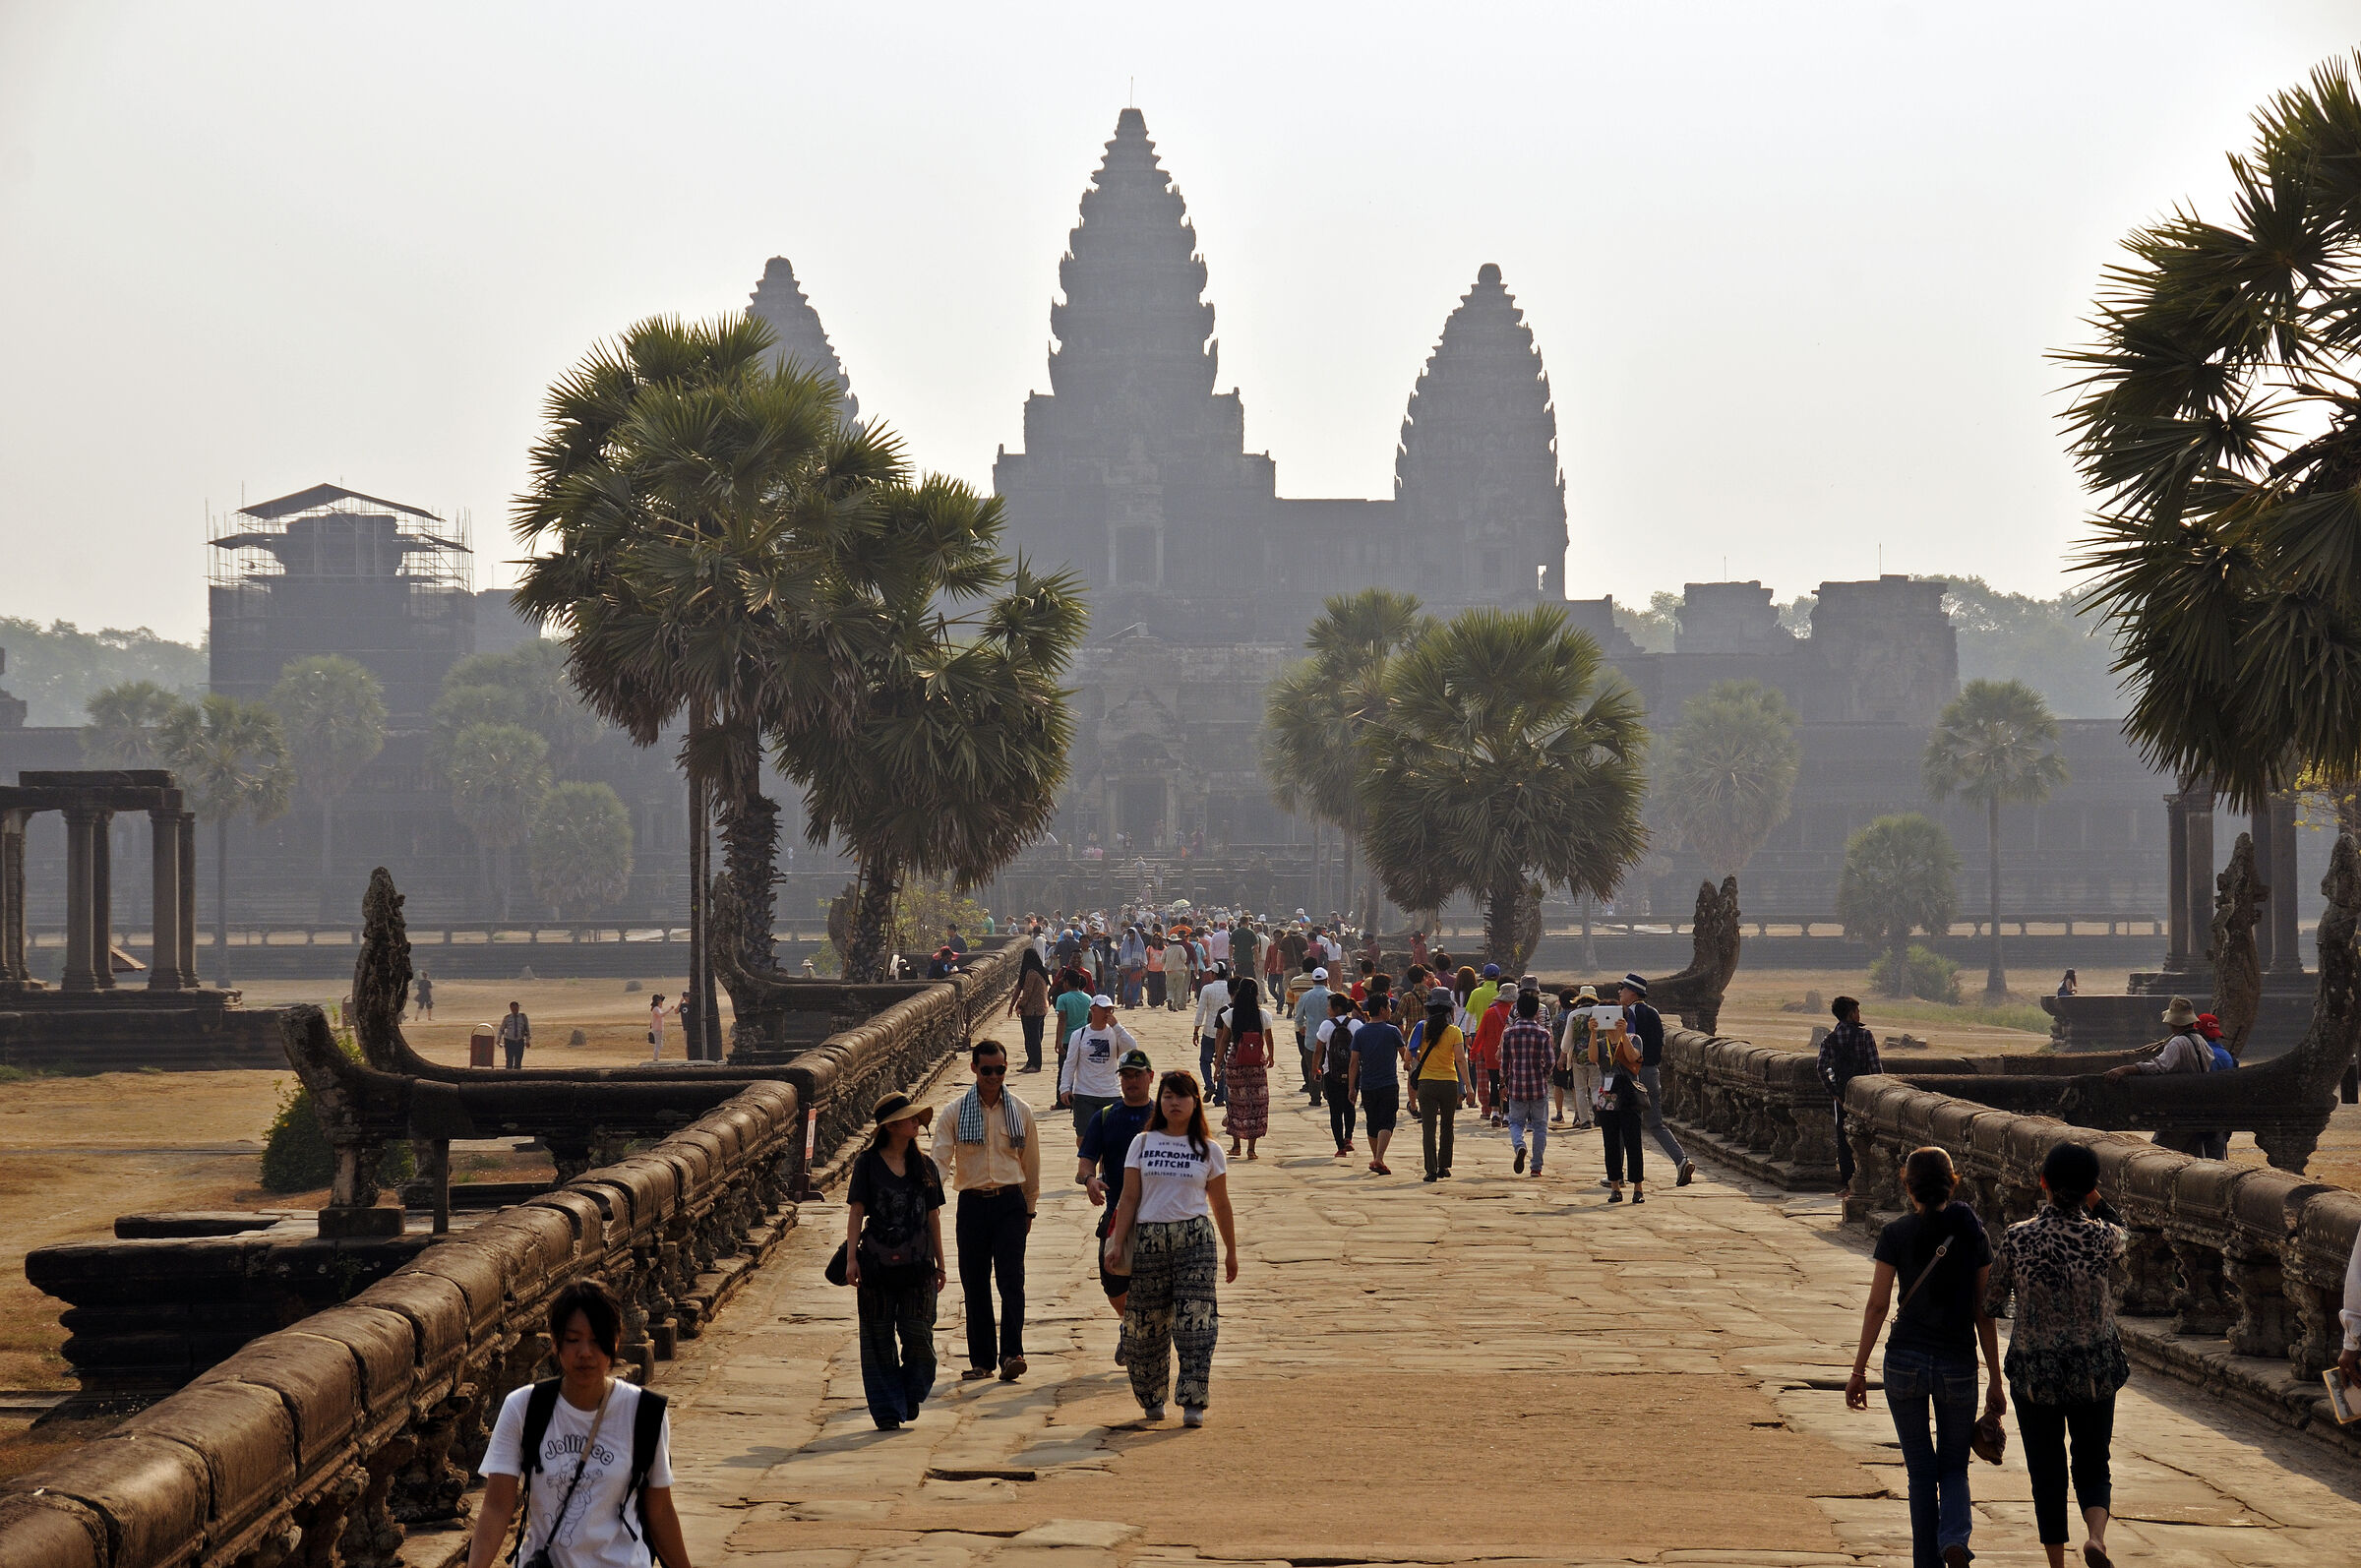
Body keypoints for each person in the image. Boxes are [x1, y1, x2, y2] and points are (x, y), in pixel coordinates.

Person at [1845, 1147, 2004, 1568]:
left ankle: (1925, 1563)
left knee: (1920, 1472)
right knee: (1953, 1467)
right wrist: (1995, 1379)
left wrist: (1858, 1370)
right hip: (1957, 1363)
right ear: (1954, 1181)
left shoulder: (1896, 1233)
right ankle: (1953, 1537)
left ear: (1906, 1183)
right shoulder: (1973, 1232)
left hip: (1904, 1362)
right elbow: (1983, 1311)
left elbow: (1878, 1305)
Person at [468, 1278, 691, 1568]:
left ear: (615, 1340)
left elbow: (659, 1511)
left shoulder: (644, 1413)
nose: (585, 1352)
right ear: (556, 1342)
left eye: (597, 1340)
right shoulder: (524, 1408)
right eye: (573, 1340)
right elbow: (497, 1507)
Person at [1986, 1141, 2128, 1568]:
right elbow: (2123, 1228)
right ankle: (2097, 1538)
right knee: (2093, 1459)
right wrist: (2094, 1196)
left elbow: (1992, 1300)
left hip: (2036, 1370)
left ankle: (2056, 1563)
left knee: (2046, 1469)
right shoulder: (2102, 1237)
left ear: (2043, 1182)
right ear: (2090, 1189)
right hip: (2095, 1368)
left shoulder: (2018, 1237)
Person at [1104, 1069, 1238, 1426]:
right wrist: (1117, 1245)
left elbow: (1221, 1204)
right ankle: (1151, 1395)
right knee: (1144, 1325)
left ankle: (1193, 1400)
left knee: (1196, 1324)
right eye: (1167, 1096)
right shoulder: (1143, 1144)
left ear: (1195, 1103)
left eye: (1181, 1096)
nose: (1174, 1103)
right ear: (1159, 1102)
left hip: (1195, 1240)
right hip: (1150, 1241)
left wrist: (1231, 1250)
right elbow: (1129, 1197)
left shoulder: (1209, 1149)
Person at [930, 1039, 1040, 1384]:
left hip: (1010, 1203)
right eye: (988, 1070)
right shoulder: (954, 1113)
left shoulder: (1020, 1111)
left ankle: (1012, 1353)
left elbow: (1031, 1164)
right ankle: (981, 1360)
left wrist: (1030, 1209)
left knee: (1012, 1281)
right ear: (975, 1068)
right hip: (973, 1203)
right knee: (975, 1282)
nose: (994, 1077)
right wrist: (925, 1198)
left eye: (1000, 1070)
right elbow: (939, 1162)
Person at [844, 1093, 948, 1429]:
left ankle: (910, 1392)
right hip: (876, 1262)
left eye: (916, 1117)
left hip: (918, 1264)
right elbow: (857, 1212)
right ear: (890, 1126)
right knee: (877, 1338)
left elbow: (933, 1217)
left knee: (918, 1335)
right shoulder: (867, 1164)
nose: (915, 1121)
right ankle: (888, 1410)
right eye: (908, 1118)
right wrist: (850, 1260)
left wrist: (941, 1264)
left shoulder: (925, 1166)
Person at [1077, 1049, 1161, 1365]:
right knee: (1112, 1277)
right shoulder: (1106, 1116)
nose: (1131, 1081)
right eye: (1125, 1076)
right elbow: (1087, 1159)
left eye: (1137, 1075)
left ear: (1150, 1077)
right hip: (1116, 1211)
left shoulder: (1163, 1115)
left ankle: (1146, 1334)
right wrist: (1089, 1180)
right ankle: (1130, 1323)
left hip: (1157, 1211)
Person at [2104, 995, 2215, 1156]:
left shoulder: (2178, 1043)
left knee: (2157, 1153)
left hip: (2178, 1109)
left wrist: (2125, 1069)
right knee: (2194, 1156)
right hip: (2197, 1108)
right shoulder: (2200, 1040)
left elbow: (2158, 1067)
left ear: (2173, 1022)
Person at [1618, 974, 1695, 1186]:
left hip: (1634, 1073)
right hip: (1653, 1072)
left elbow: (1631, 1045)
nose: (1620, 993)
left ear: (1632, 992)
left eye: (1623, 989)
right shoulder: (1653, 1013)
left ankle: (1616, 1172)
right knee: (1655, 1123)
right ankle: (1681, 1160)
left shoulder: (1630, 1015)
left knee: (1623, 1121)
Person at [1819, 995, 1884, 1202]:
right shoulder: (1865, 1036)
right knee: (1868, 1135)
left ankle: (1848, 1183)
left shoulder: (1829, 1039)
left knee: (1843, 1137)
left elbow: (1821, 1067)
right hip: (1864, 1094)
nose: (1859, 1015)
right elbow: (1876, 1069)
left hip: (1842, 1094)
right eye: (1857, 1011)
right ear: (1851, 1014)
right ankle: (1868, 1180)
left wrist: (1834, 1092)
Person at [1407, 991, 1472, 1182]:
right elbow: (1460, 1060)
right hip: (1449, 1083)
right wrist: (1468, 1086)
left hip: (1426, 1083)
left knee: (1428, 1128)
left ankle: (1431, 1169)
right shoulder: (1454, 1031)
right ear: (1448, 1010)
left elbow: (1410, 1055)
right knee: (1447, 1126)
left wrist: (1425, 1062)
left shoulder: (1422, 1028)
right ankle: (1444, 1165)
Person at [1058, 995, 1139, 1141]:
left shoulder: (1115, 1033)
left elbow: (1132, 1046)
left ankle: (1103, 1162)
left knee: (1110, 1138)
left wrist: (1117, 1027)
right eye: (1104, 1009)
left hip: (1110, 1092)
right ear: (1093, 1010)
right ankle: (1088, 1161)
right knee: (1083, 1137)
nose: (1108, 1013)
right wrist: (1064, 1088)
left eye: (1110, 1009)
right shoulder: (1080, 1034)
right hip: (1085, 1093)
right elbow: (1070, 1063)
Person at [1498, 986, 1555, 1176]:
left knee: (1515, 1123)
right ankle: (1536, 1167)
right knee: (1540, 1126)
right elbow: (1550, 1061)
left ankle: (1519, 1145)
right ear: (1536, 1012)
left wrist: (1503, 1083)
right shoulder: (1543, 1034)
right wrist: (1544, 1074)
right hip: (1538, 1087)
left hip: (1516, 1086)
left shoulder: (1509, 1034)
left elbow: (1504, 1063)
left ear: (1518, 1011)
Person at [1215, 977, 1273, 1160]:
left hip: (1236, 1061)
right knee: (1256, 1104)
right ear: (1256, 993)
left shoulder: (1231, 1014)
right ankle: (1251, 1149)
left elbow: (1224, 1040)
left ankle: (1236, 1145)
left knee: (1236, 1103)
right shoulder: (1262, 1014)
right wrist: (1271, 1055)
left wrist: (1217, 1063)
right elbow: (1269, 1039)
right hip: (1256, 1062)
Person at [1349, 992, 1404, 1176]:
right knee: (1387, 1121)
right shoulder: (1392, 1030)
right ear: (1382, 1010)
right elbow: (1405, 1055)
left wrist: (1351, 1087)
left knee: (1372, 1123)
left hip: (1367, 1084)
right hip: (1388, 1083)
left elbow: (1354, 1061)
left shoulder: (1361, 1032)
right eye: (1388, 1007)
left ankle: (1377, 1157)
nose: (1390, 1010)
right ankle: (1379, 1158)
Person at [1596, 1016, 1647, 1203]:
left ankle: (1638, 1187)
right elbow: (1593, 1058)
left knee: (1633, 1141)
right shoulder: (1602, 1043)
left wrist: (1623, 1034)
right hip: (1607, 1097)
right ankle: (1615, 1186)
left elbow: (1634, 1057)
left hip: (1629, 1096)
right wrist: (1593, 1033)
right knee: (1611, 1143)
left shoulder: (1634, 1039)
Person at [1315, 991, 1360, 1158]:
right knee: (1350, 1105)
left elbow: (1318, 1049)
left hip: (1331, 1072)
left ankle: (1340, 1146)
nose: (1327, 1009)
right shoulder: (1355, 1024)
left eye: (1329, 1006)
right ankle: (1349, 1137)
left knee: (1335, 1110)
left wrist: (1315, 1069)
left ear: (1337, 1008)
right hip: (1353, 1071)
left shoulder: (1327, 1025)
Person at [1468, 980, 1511, 1125]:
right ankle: (1506, 1114)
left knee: (1494, 1082)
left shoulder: (1490, 1012)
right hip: (1511, 1055)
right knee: (1508, 1083)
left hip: (1491, 1054)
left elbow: (1480, 1035)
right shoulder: (1515, 1013)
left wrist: (1473, 1053)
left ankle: (1494, 1112)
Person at [1292, 964, 1332, 1107]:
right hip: (1329, 1038)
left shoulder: (1306, 996)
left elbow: (1298, 1017)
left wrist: (1302, 1027)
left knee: (1313, 1068)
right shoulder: (1331, 996)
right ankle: (1328, 1092)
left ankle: (1315, 1098)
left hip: (1311, 1038)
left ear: (1313, 981)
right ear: (1326, 980)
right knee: (1329, 1068)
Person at [1007, 947, 1052, 1073]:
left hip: (1032, 1010)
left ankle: (1035, 1064)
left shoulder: (1031, 973)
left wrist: (1019, 1005)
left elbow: (1027, 992)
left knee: (1032, 1038)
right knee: (1036, 1037)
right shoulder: (1040, 971)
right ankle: (1030, 1062)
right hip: (1041, 1009)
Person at [1192, 964, 1232, 1105]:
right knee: (1222, 1063)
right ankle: (1220, 1096)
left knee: (1205, 1060)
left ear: (1214, 974)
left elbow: (1201, 1011)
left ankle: (1209, 1085)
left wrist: (1196, 1031)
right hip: (1225, 1032)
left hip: (1209, 1030)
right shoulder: (1230, 988)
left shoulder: (1207, 989)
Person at [1051, 977, 1095, 1086]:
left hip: (1067, 1039)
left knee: (1064, 1070)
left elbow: (1062, 1020)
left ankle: (1062, 1101)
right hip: (1083, 1038)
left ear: (1067, 983)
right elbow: (1090, 1019)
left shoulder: (1063, 998)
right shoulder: (1088, 998)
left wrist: (1058, 1041)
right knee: (1082, 1069)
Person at [1162, 933, 1191, 1011]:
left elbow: (1162, 960)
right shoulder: (1180, 948)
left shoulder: (1167, 949)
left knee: (1170, 988)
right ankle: (1175, 1006)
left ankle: (1169, 998)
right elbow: (1184, 958)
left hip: (1169, 971)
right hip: (1180, 971)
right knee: (1179, 988)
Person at [499, 1000, 531, 1070]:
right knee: (509, 1060)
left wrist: (527, 1041)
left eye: (516, 1009)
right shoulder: (507, 1018)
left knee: (518, 1061)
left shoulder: (523, 1017)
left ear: (518, 1008)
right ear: (510, 1009)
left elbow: (527, 1029)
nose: (515, 1010)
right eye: (513, 1009)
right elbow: (501, 1029)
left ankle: (518, 1078)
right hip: (509, 1041)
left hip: (519, 1041)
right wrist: (498, 1040)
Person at [647, 994, 669, 1063]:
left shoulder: (657, 1008)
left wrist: (662, 999)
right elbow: (661, 1015)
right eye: (659, 1000)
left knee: (659, 1044)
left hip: (658, 1028)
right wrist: (670, 1009)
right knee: (658, 1045)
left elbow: (661, 1005)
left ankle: (656, 1058)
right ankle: (655, 1059)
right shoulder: (656, 1009)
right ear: (657, 1001)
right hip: (657, 1029)